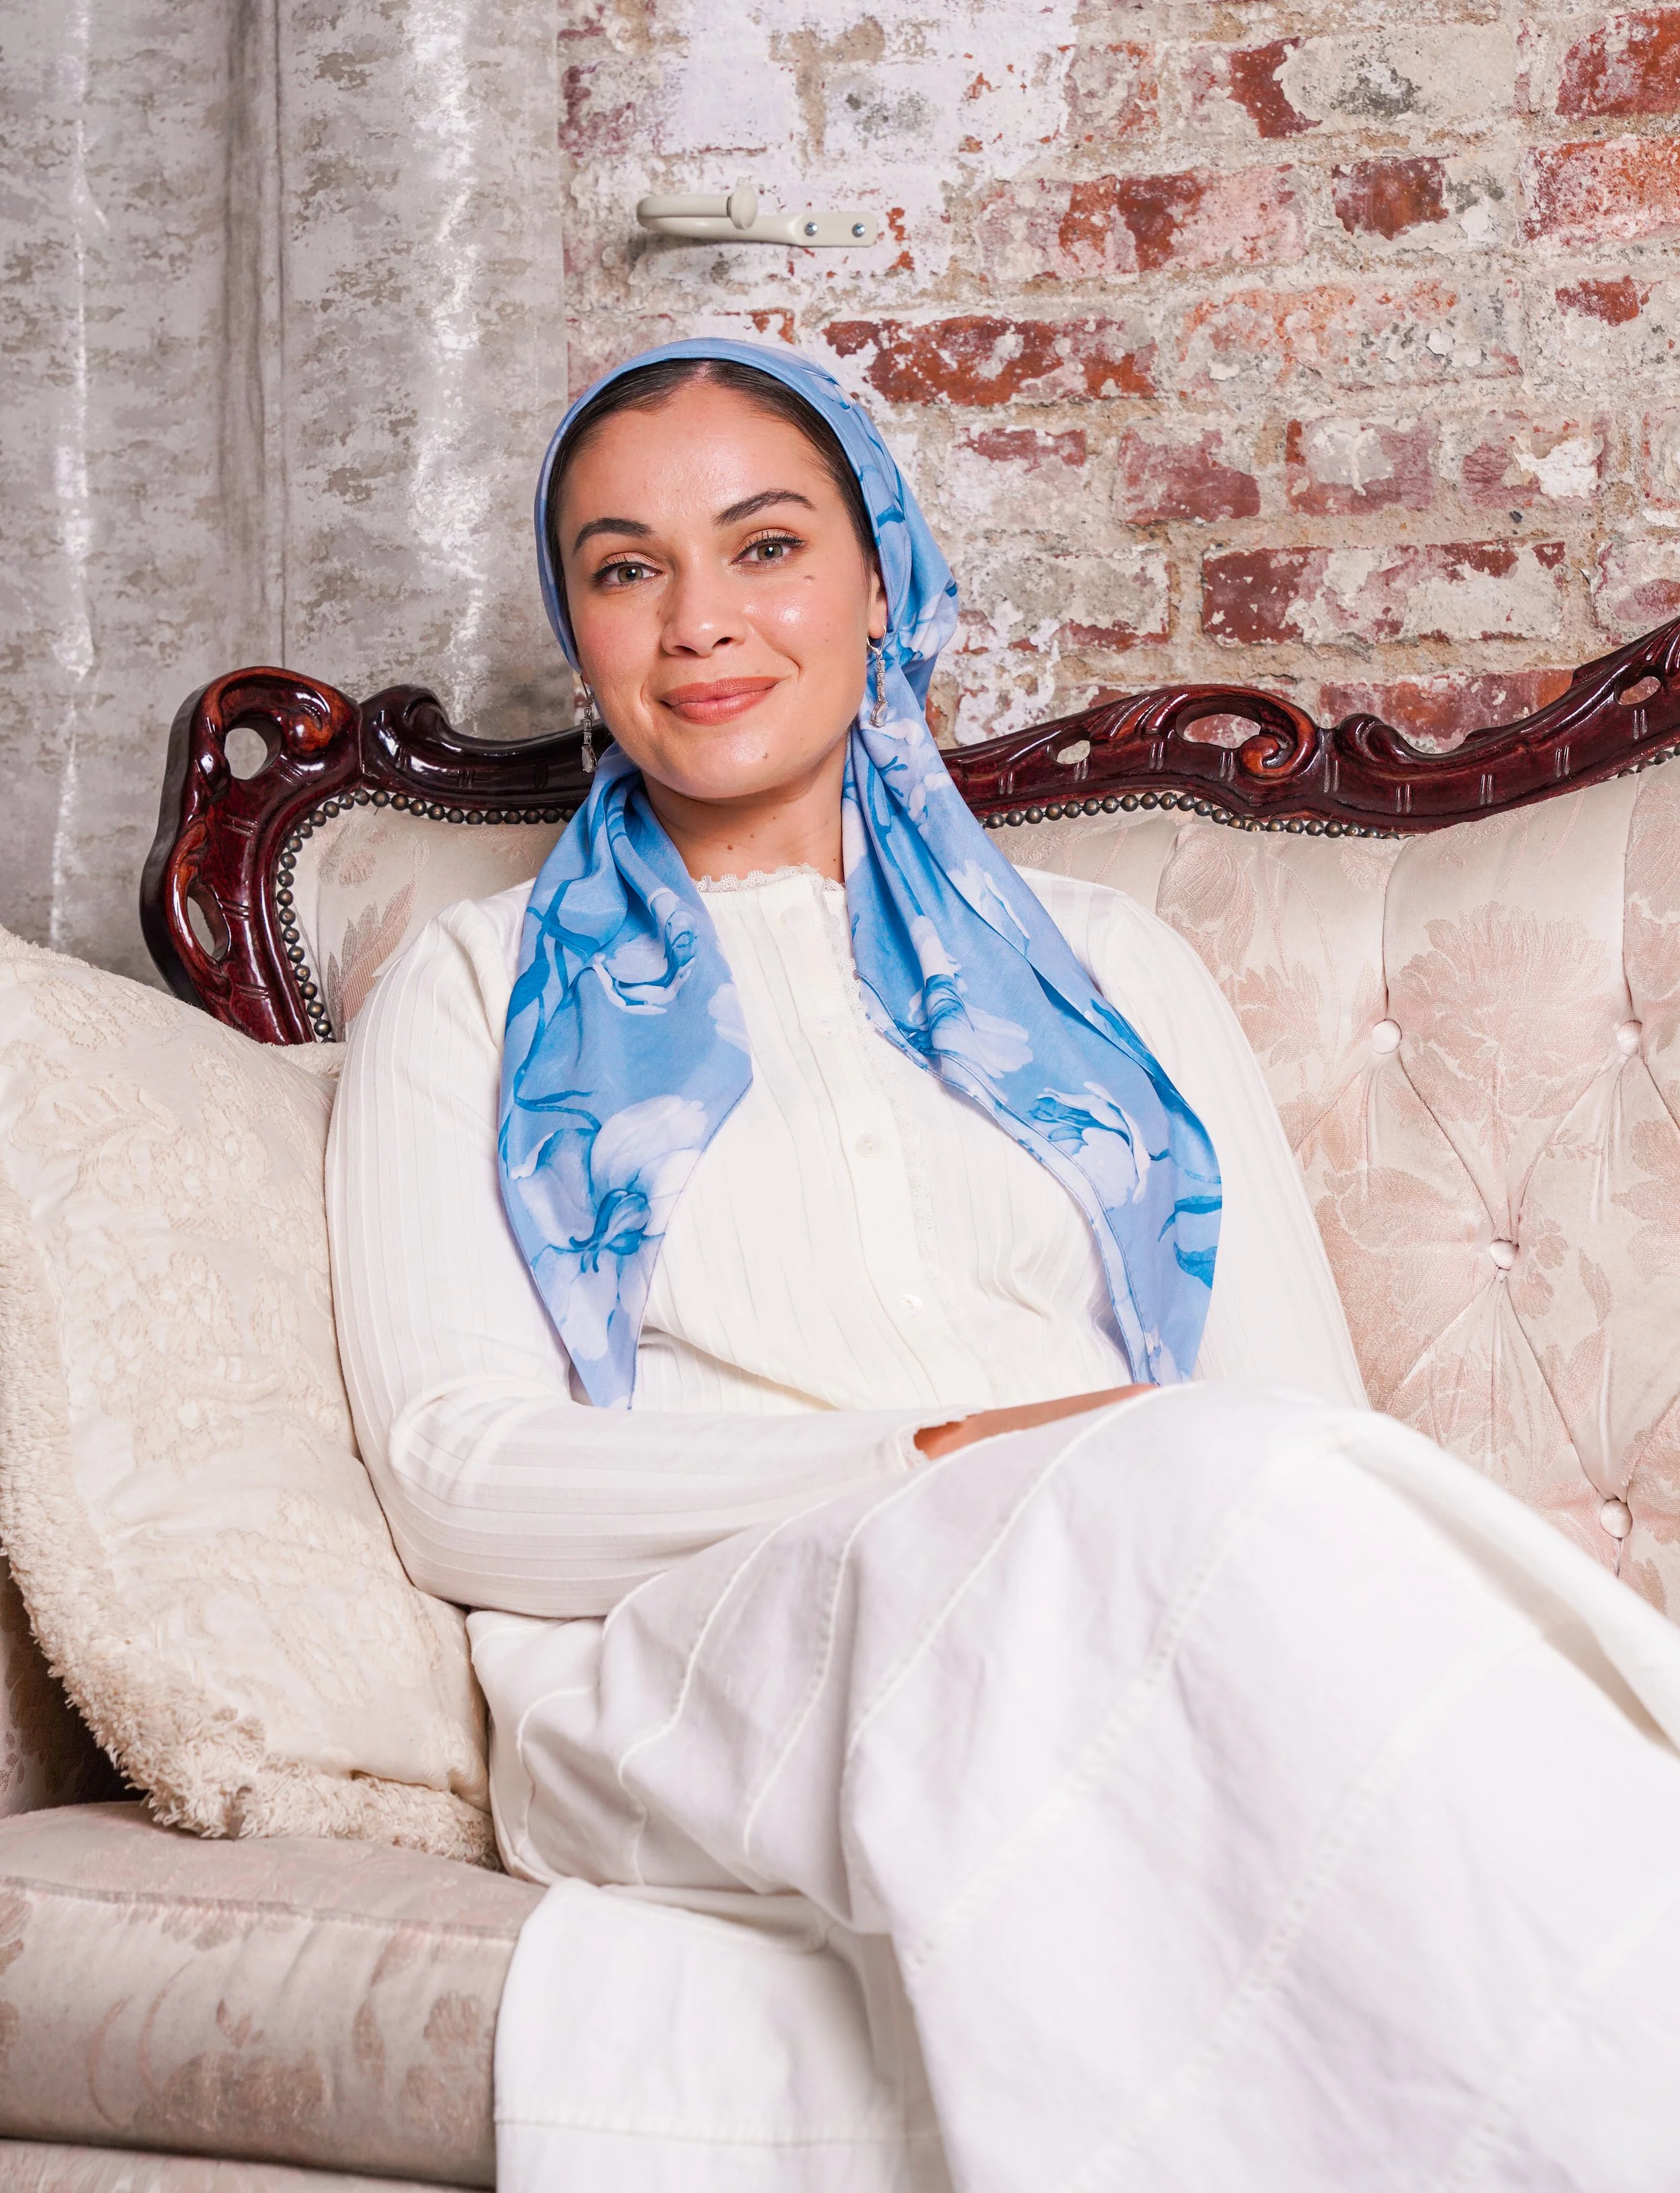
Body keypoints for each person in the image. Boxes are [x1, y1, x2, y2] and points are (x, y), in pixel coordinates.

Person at [329, 341, 1680, 2193]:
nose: (700, 620)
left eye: (765, 545)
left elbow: (1289, 1425)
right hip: (700, 1649)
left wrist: (1063, 1473)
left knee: (1293, 1522)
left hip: (1109, 1559)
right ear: (578, 631)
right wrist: (946, 1450)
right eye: (626, 567)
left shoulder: (1108, 963)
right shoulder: (472, 991)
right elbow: (454, 1482)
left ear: (881, 578)